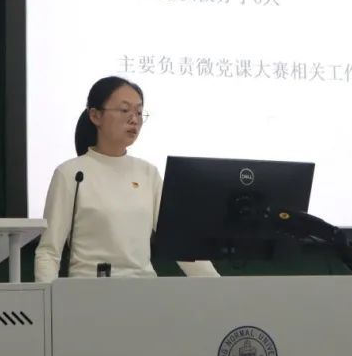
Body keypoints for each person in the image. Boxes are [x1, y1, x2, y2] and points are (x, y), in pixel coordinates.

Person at [34, 76, 220, 282]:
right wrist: (48, 298)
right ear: (95, 115)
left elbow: (180, 242)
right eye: (124, 110)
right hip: (89, 291)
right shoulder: (71, 173)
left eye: (139, 112)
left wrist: (219, 286)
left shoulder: (148, 173)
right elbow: (48, 252)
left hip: (145, 290)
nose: (134, 119)